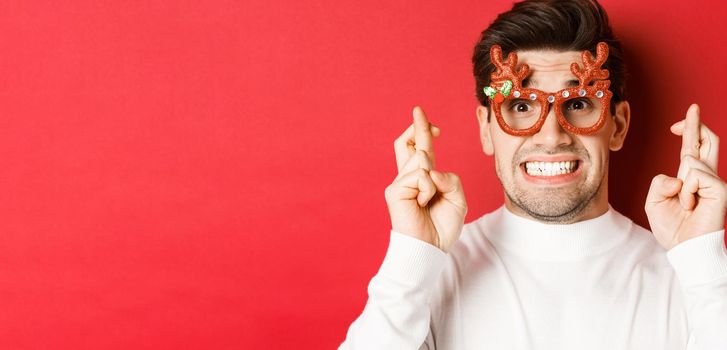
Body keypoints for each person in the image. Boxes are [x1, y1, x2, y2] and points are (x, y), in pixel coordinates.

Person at [338, 0, 727, 349]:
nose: (552, 135)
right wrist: (410, 256)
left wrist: (705, 261)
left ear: (618, 125)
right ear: (486, 129)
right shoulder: (432, 275)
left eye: (577, 102)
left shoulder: (691, 277)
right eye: (521, 106)